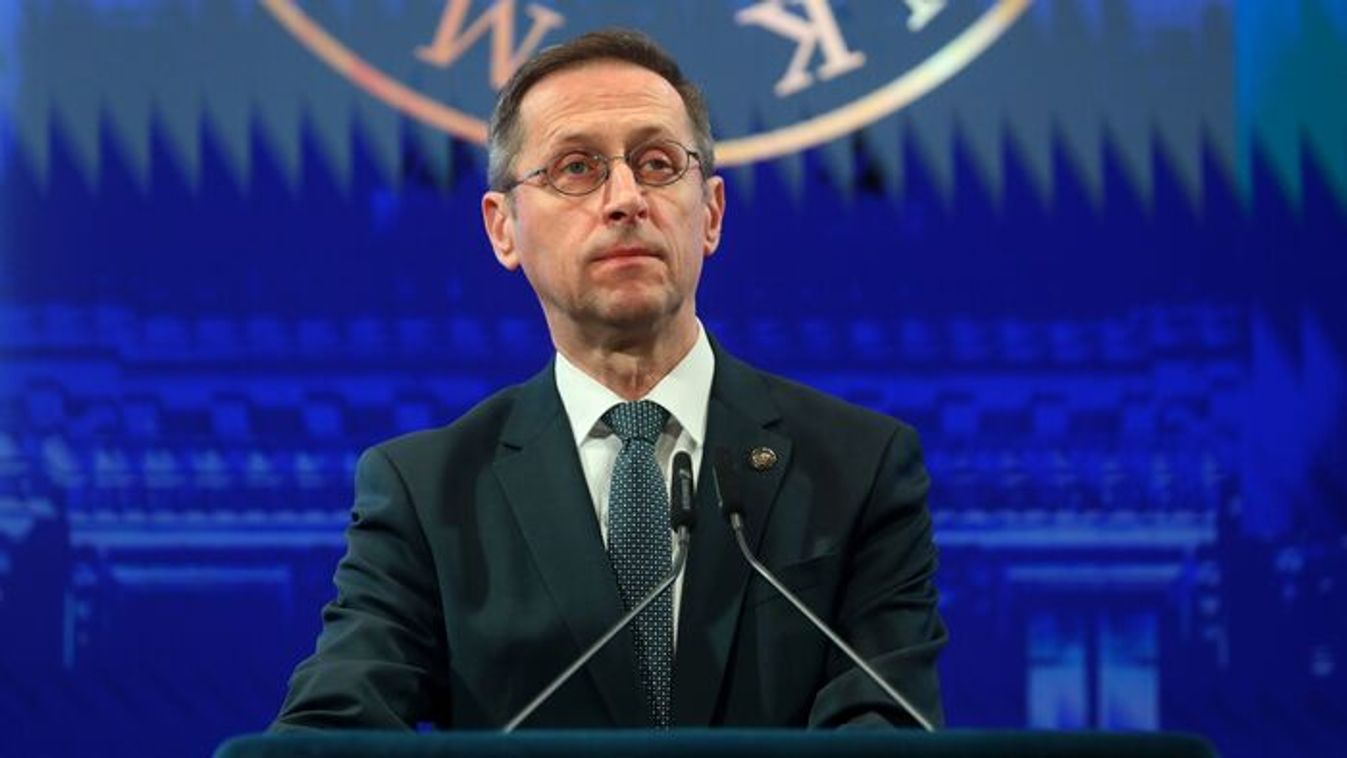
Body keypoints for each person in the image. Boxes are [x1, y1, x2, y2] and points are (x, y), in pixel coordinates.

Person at [273, 28, 946, 731]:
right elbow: (334, 726)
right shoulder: (428, 493)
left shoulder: (857, 468)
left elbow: (885, 727)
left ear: (711, 214)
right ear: (503, 229)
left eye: (657, 164)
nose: (626, 199)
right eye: (576, 168)